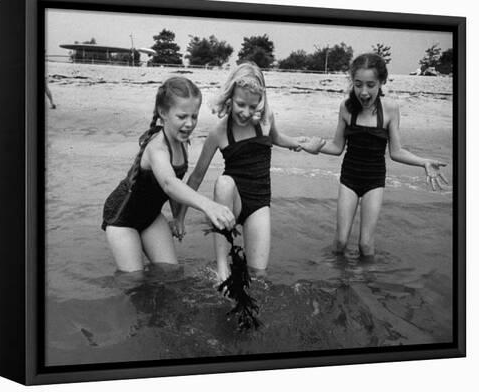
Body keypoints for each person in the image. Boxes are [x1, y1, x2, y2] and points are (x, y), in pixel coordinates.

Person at [174, 62, 324, 281]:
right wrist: (180, 217)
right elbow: (197, 176)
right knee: (224, 182)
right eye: (240, 104)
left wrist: (302, 144)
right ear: (230, 97)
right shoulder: (219, 132)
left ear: (260, 102)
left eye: (252, 107)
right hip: (231, 201)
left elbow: (277, 138)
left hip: (258, 203)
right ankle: (222, 270)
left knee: (258, 274)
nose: (245, 112)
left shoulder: (265, 120)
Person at [317, 53, 448, 258]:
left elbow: (396, 152)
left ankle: (366, 286)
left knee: (365, 245)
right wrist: (312, 145)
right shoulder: (346, 108)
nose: (364, 92)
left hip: (374, 181)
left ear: (382, 82)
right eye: (358, 84)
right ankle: (339, 283)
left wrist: (423, 162)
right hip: (349, 179)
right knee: (341, 241)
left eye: (371, 85)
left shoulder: (390, 109)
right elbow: (336, 146)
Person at [101, 77, 235, 272]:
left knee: (171, 273)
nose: (189, 124)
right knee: (134, 280)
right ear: (163, 113)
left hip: (151, 216)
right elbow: (169, 184)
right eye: (182, 117)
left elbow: (175, 188)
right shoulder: (157, 148)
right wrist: (208, 206)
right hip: (122, 218)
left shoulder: (181, 142)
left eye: (194, 116)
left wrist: (177, 217)